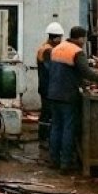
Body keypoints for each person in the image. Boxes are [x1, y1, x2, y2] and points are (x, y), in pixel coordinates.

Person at [46, 26, 98, 171]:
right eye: (84, 38)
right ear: (80, 38)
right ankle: (65, 163)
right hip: (68, 95)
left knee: (56, 127)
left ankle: (54, 160)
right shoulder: (76, 51)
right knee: (68, 128)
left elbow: (62, 71)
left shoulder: (57, 48)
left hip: (53, 93)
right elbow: (86, 72)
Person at [36, 22, 65, 151]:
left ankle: (45, 138)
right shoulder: (48, 50)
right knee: (47, 113)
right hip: (47, 86)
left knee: (46, 112)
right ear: (57, 38)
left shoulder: (44, 47)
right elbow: (52, 69)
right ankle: (44, 139)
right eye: (60, 38)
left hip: (45, 85)